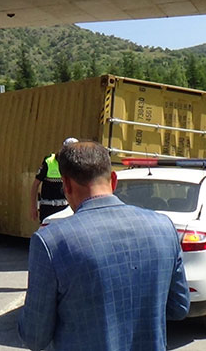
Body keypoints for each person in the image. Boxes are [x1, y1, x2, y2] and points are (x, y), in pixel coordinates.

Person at [18, 141, 189, 350]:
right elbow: (179, 307)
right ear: (114, 180)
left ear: (67, 186)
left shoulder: (50, 242)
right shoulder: (163, 228)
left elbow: (34, 336)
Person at [29, 138, 78, 224]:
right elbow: (35, 185)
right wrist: (33, 207)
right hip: (48, 209)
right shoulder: (49, 162)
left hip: (65, 209)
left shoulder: (75, 164)